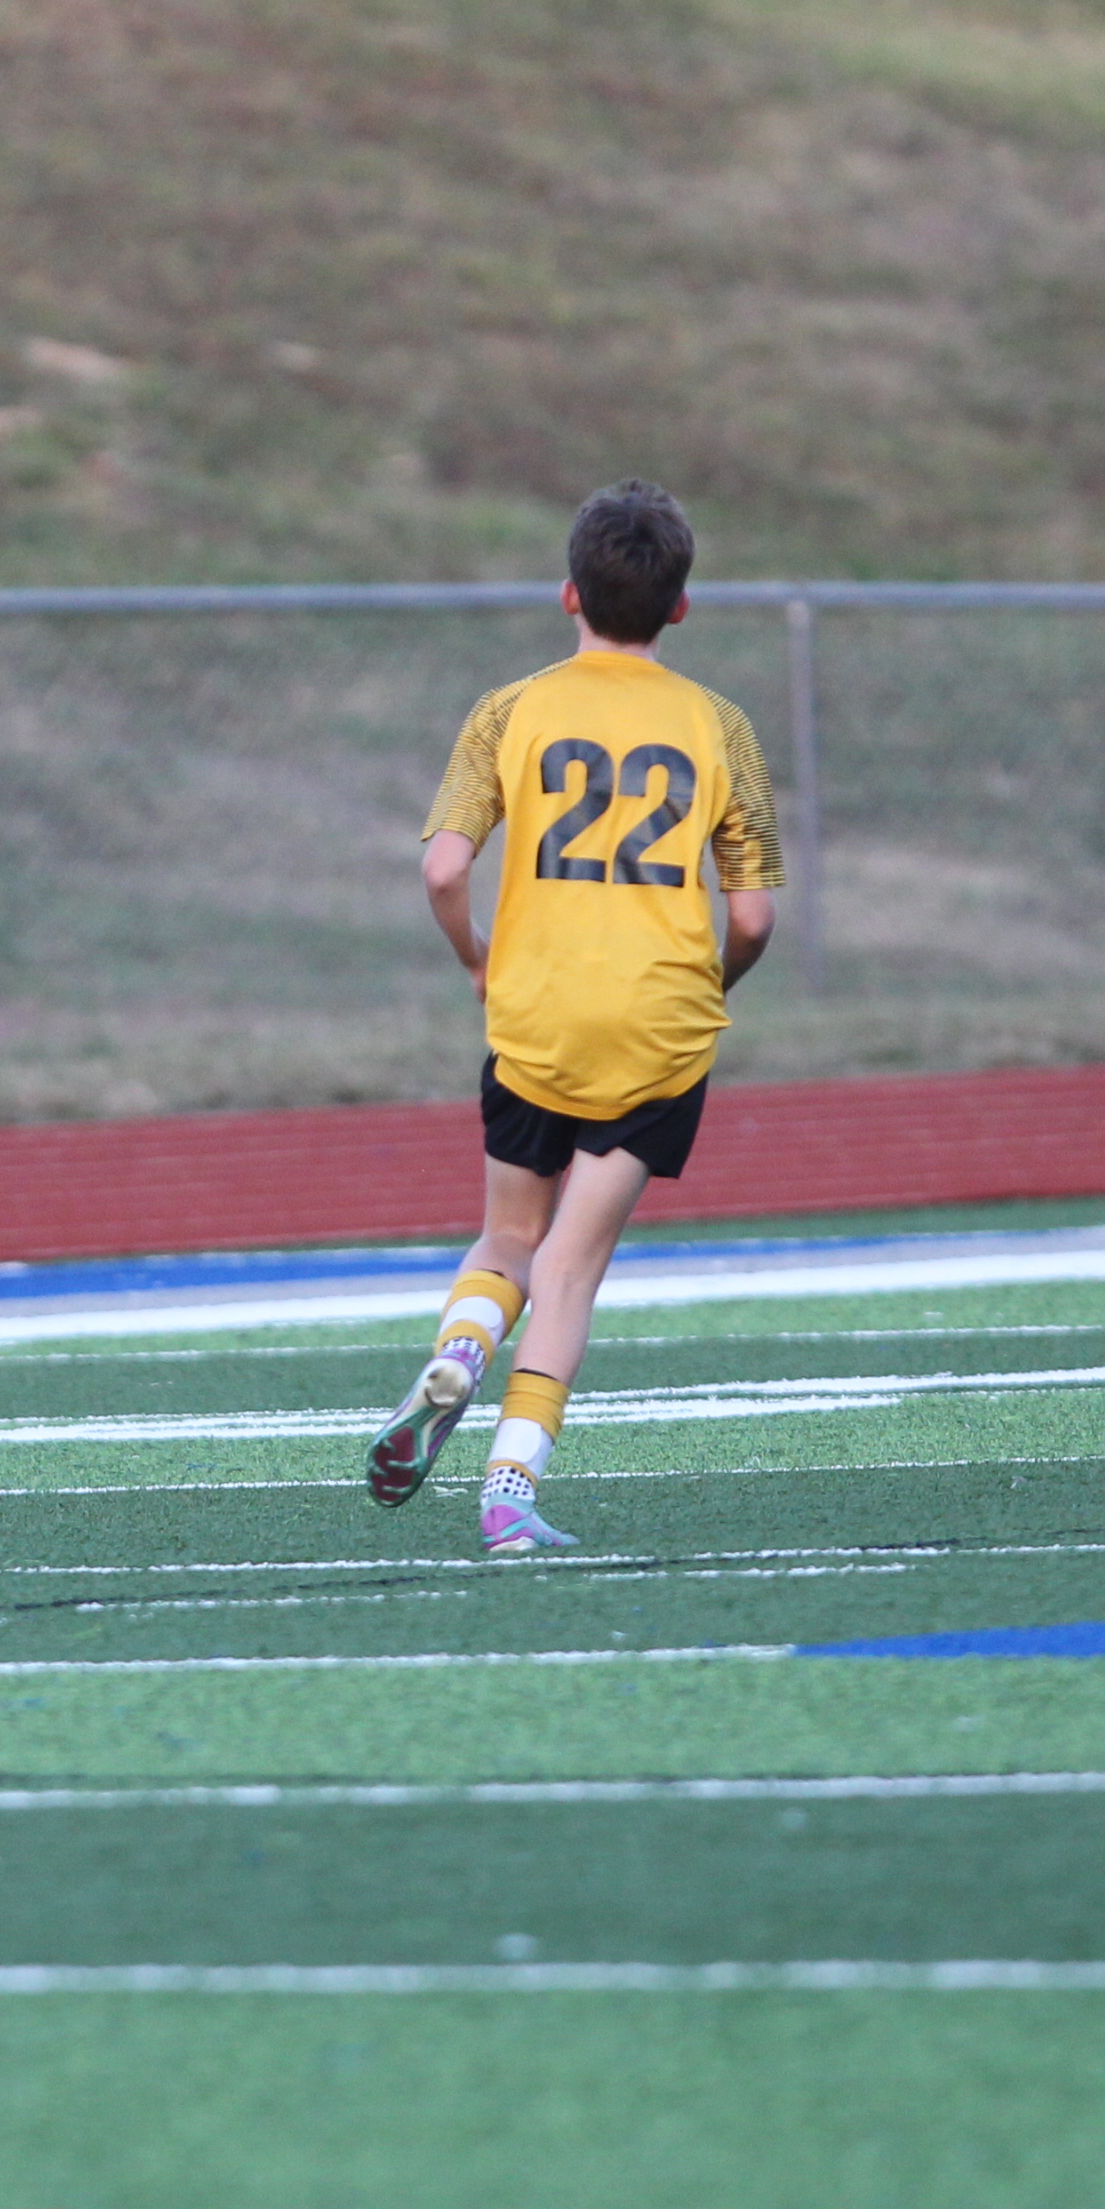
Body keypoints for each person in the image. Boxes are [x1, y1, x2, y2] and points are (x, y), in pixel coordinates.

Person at [366, 481, 781, 1552]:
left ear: (569, 595)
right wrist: (708, 987)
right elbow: (754, 915)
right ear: (680, 606)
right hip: (657, 1031)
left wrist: (476, 960)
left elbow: (444, 869)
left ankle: (461, 1348)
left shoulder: (510, 709)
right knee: (571, 1266)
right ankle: (509, 1493)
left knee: (510, 1236)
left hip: (536, 1016)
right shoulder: (721, 726)